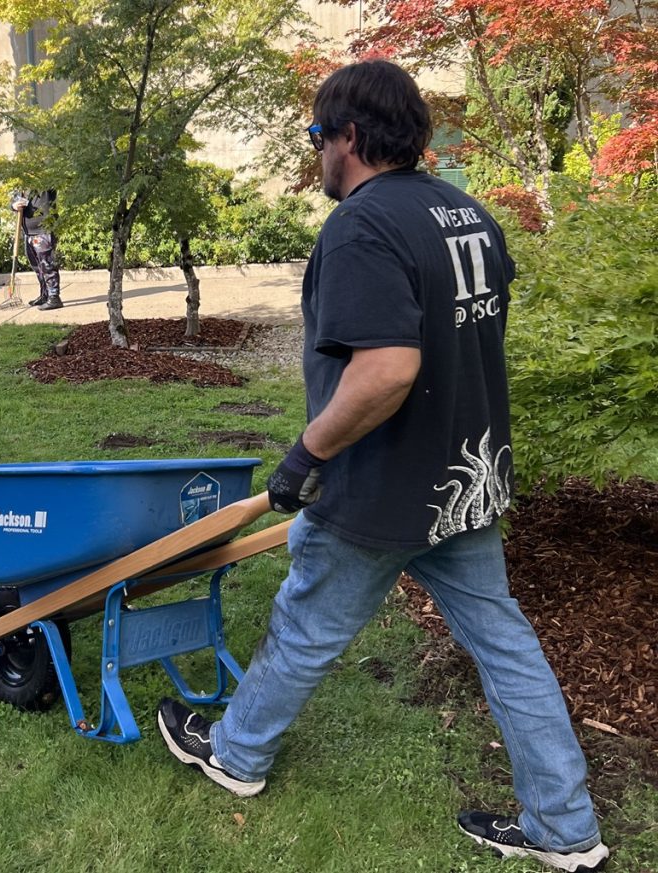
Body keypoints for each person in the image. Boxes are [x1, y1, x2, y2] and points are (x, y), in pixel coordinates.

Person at [156, 60, 608, 873]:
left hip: (384, 487)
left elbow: (389, 368)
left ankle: (236, 752)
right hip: (465, 481)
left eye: (317, 137)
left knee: (305, 625)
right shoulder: (467, 214)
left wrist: (306, 454)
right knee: (505, 644)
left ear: (350, 137)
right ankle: (566, 827)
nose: (317, 154)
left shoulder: (361, 226)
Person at [10, 189, 62, 310]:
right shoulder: (22, 183)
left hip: (44, 230)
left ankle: (54, 297)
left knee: (47, 265)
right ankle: (45, 295)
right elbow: (15, 199)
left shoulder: (45, 182)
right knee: (38, 267)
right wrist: (14, 206)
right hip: (28, 232)